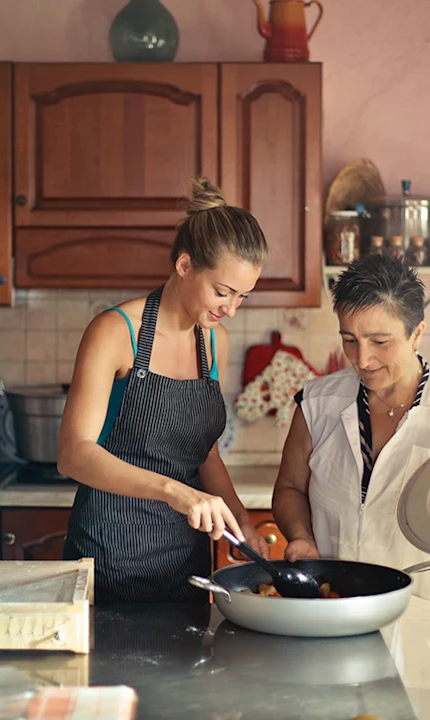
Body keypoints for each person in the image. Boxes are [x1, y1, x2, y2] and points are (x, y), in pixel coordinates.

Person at [271, 254, 430, 720]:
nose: (363, 359)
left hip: (427, 631)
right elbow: (291, 488)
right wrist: (300, 536)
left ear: (417, 333)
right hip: (335, 624)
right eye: (349, 340)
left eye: (380, 341)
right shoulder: (316, 403)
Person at [58, 176, 270, 604]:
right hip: (108, 557)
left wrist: (242, 520)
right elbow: (74, 454)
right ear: (185, 266)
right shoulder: (115, 331)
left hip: (186, 564)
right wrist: (174, 490)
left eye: (243, 297)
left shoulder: (214, 342)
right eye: (223, 292)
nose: (230, 309)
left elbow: (203, 452)